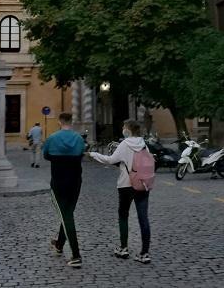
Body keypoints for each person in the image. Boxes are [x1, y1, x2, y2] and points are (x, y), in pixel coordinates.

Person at [89, 119, 151, 264]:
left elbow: (110, 160)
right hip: (143, 184)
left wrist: (94, 155)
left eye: (124, 126)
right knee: (143, 218)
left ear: (128, 130)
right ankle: (144, 253)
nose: (122, 128)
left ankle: (123, 248)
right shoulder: (143, 144)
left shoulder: (125, 144)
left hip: (126, 185)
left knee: (123, 215)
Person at [42, 112, 85, 268]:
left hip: (59, 181)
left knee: (66, 215)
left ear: (60, 121)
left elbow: (45, 155)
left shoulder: (52, 138)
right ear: (71, 121)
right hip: (75, 181)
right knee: (67, 213)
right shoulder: (79, 138)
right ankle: (59, 244)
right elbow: (81, 154)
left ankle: (76, 254)